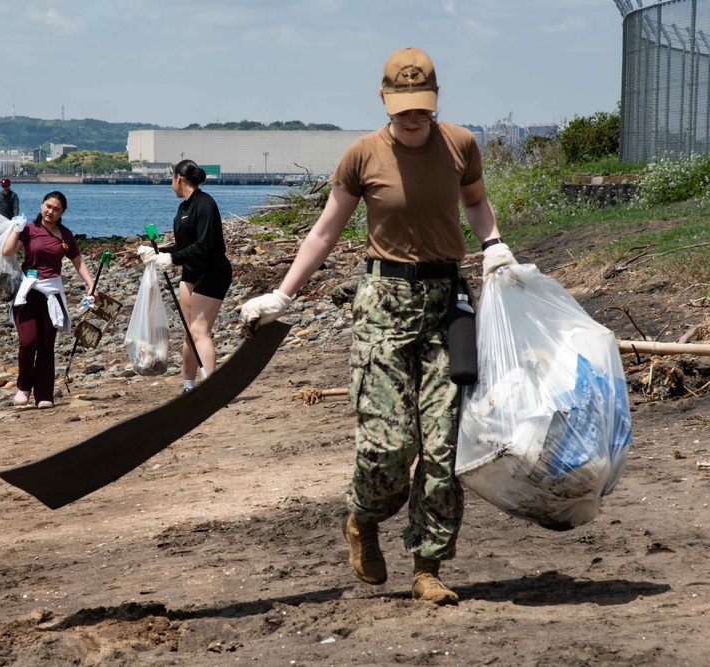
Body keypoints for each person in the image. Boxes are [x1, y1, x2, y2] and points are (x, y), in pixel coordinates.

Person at [240, 47, 517, 605]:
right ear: (385, 102)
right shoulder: (361, 155)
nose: (412, 120)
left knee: (442, 448)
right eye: (402, 111)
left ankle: (427, 566)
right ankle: (363, 518)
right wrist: (282, 295)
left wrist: (493, 244)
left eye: (422, 110)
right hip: (383, 305)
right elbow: (324, 233)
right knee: (389, 447)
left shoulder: (460, 145)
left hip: (447, 304)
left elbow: (478, 203)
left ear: (435, 102)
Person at [137, 159, 232, 393]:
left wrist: (173, 259)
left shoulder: (205, 204)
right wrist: (158, 253)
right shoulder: (183, 208)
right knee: (189, 333)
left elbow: (206, 245)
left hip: (212, 272)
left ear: (178, 178)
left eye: (171, 178)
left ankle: (212, 389)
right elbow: (183, 246)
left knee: (200, 331)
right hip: (191, 273)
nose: (171, 184)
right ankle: (189, 387)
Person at [2, 191, 93, 409]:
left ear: (62, 212)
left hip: (52, 292)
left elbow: (77, 261)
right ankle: (23, 387)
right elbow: (7, 251)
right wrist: (16, 228)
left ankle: (45, 394)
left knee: (45, 345)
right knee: (28, 341)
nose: (50, 212)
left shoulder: (65, 235)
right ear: (42, 205)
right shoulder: (29, 230)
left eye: (56, 209)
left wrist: (91, 285)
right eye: (48, 206)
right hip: (27, 292)